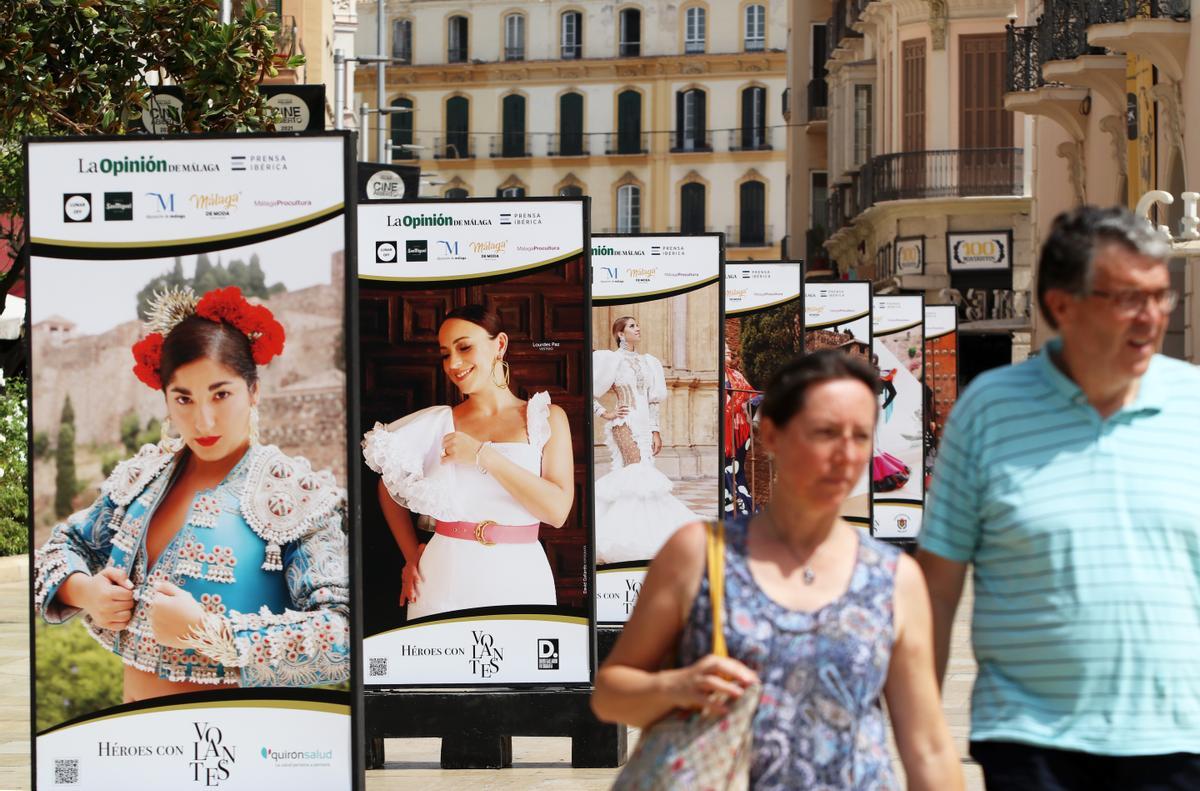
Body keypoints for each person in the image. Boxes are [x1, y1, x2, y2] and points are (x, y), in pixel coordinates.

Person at [918, 205, 1200, 790]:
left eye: (1160, 296)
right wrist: (924, 749)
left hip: (1179, 743)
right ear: (1061, 305)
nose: (1151, 318)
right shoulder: (988, 410)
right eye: (1127, 298)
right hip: (1031, 744)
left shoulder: (1194, 405)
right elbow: (938, 591)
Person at [593, 350, 963, 790]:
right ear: (771, 434)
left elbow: (928, 747)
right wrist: (677, 688)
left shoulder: (893, 579)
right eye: (825, 433)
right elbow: (612, 694)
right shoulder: (700, 555)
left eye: (861, 436)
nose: (845, 454)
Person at [33, 286, 349, 702]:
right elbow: (60, 546)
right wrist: (84, 590)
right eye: (184, 398)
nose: (203, 420)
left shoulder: (294, 493)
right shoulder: (142, 477)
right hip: (135, 737)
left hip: (243, 741)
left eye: (222, 394)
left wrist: (212, 633)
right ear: (166, 401)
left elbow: (343, 630)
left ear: (254, 391)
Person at [362, 304, 573, 619]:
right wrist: (411, 555)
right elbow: (387, 488)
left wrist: (483, 456)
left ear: (499, 344)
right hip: (443, 577)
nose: (453, 363)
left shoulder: (546, 418)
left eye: (464, 347)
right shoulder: (436, 422)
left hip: (522, 576)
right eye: (446, 353)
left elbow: (557, 512)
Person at [592, 316, 700, 565]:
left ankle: (648, 531)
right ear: (620, 334)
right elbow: (588, 389)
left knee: (644, 476)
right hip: (624, 422)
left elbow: (652, 401)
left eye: (637, 324)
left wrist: (655, 430)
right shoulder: (611, 360)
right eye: (631, 326)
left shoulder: (649, 362)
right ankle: (625, 538)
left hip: (643, 425)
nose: (637, 328)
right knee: (635, 474)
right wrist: (605, 413)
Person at [723, 346, 757, 516]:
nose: (729, 351)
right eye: (725, 348)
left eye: (729, 349)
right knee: (726, 469)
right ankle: (732, 507)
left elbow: (750, 396)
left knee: (738, 470)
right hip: (721, 431)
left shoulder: (736, 375)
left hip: (740, 429)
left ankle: (744, 507)